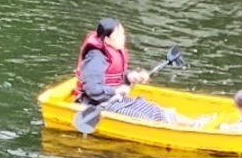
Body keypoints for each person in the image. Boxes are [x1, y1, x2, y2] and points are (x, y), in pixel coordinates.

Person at [75, 19, 209, 128]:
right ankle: (185, 129)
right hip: (98, 103)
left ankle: (193, 123)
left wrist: (130, 76)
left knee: (153, 109)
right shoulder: (95, 58)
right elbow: (92, 88)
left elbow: (114, 74)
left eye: (123, 34)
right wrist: (116, 91)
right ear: (107, 40)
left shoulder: (112, 49)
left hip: (115, 98)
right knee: (143, 117)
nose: (123, 38)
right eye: (119, 36)